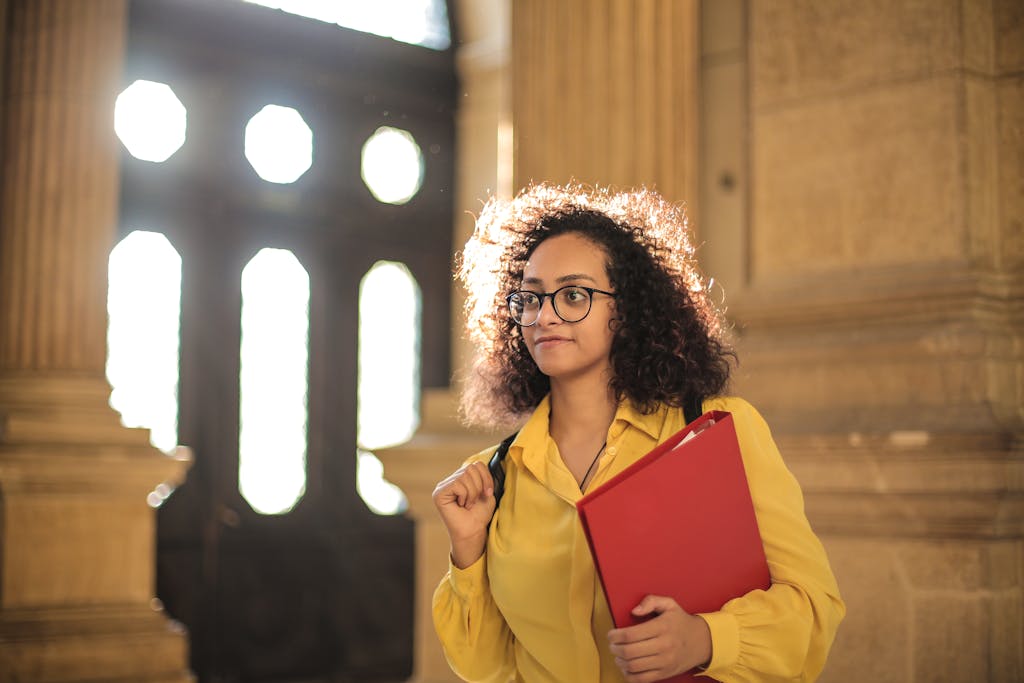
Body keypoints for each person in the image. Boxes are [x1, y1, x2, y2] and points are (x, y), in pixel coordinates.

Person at [432, 182, 844, 682]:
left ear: (623, 310)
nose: (545, 316)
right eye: (531, 298)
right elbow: (485, 667)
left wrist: (706, 638)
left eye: (574, 295)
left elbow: (813, 612)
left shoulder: (715, 432)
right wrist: (469, 551)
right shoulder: (496, 477)